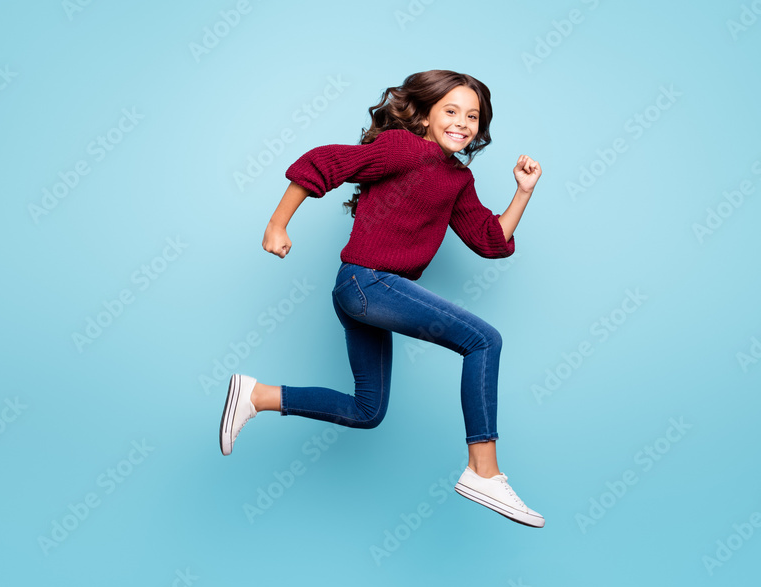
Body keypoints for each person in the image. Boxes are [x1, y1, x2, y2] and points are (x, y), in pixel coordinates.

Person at [219, 70, 545, 527]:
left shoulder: (457, 179)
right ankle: (483, 471)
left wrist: (522, 193)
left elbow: (491, 240)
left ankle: (257, 395)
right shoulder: (403, 148)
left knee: (367, 410)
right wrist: (277, 224)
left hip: (368, 293)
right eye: (450, 111)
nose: (462, 123)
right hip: (367, 283)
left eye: (472, 116)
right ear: (426, 115)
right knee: (484, 341)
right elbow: (327, 161)